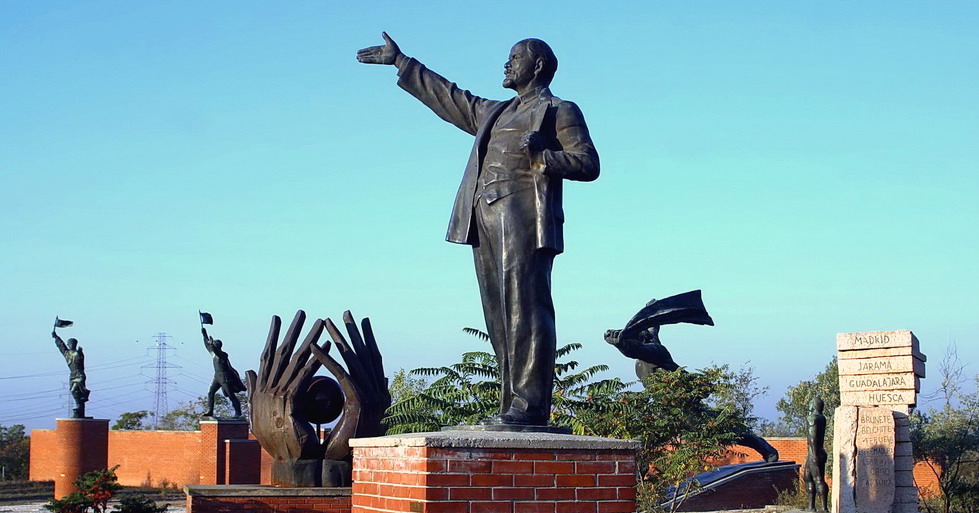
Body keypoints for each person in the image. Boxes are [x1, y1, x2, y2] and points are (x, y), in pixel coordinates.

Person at [358, 33, 599, 426]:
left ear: (537, 65)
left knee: (526, 310)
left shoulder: (559, 109)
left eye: (515, 57)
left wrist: (543, 152)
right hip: (483, 217)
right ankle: (512, 404)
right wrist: (403, 63)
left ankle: (530, 406)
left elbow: (587, 164)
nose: (507, 63)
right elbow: (451, 97)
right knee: (499, 316)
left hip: (523, 217)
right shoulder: (494, 111)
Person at [202, 327, 245, 418]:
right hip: (217, 376)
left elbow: (216, 351)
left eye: (214, 344)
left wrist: (212, 344)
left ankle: (238, 412)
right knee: (210, 392)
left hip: (225, 377)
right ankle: (210, 411)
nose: (213, 346)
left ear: (218, 346)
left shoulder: (223, 355)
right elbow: (207, 345)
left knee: (230, 395)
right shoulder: (213, 354)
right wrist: (204, 334)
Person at [52, 330, 90, 418]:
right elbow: (61, 345)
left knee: (74, 390)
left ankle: (82, 401)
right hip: (72, 375)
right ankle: (79, 408)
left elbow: (81, 359)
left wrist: (80, 353)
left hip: (79, 375)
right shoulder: (67, 353)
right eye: (69, 344)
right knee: (75, 392)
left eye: (72, 344)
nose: (71, 345)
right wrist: (56, 337)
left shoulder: (78, 353)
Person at [804, 397, 829, 512]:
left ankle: (824, 508)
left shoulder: (812, 418)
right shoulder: (822, 418)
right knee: (808, 477)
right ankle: (811, 507)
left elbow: (812, 437)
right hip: (818, 451)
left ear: (814, 405)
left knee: (818, 479)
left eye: (810, 403)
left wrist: (813, 455)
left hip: (814, 452)